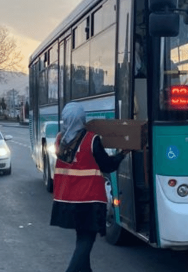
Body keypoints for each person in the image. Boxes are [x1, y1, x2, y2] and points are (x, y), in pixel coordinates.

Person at [50, 102, 129, 272]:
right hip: (88, 199)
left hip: (65, 199)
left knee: (82, 236)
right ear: (81, 119)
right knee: (87, 240)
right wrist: (122, 153)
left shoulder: (59, 141)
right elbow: (107, 166)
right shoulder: (91, 139)